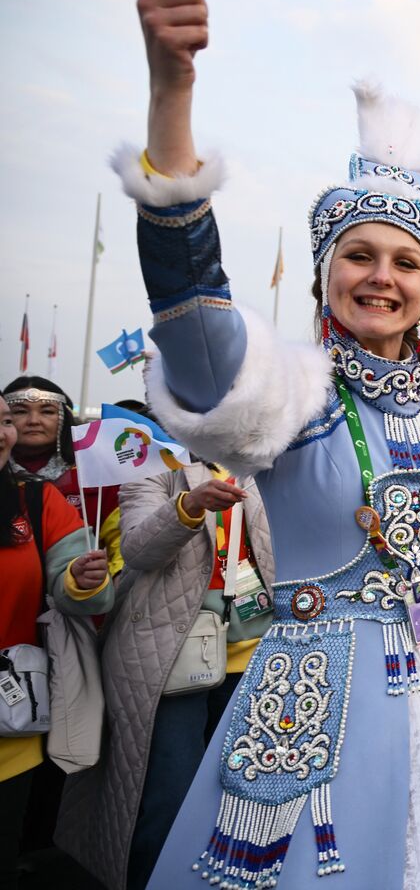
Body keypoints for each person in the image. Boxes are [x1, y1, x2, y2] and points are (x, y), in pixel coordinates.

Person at [118, 0, 420, 888]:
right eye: (359, 256)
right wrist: (172, 94)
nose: (382, 276)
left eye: (406, 262)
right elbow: (193, 312)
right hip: (309, 730)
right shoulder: (289, 394)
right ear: (328, 273)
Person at [53, 461, 274, 890]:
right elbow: (137, 550)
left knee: (249, 798)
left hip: (261, 658)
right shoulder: (155, 472)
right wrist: (188, 506)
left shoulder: (271, 467)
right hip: (171, 660)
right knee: (169, 798)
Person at [0, 396, 114, 884]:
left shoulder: (35, 499)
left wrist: (84, 580)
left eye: (2, 421)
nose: (6, 430)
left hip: (8, 724)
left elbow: (84, 592)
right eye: (13, 415)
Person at [3, 379, 123, 573]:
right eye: (20, 411)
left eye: (47, 411)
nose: (34, 420)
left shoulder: (99, 474)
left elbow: (121, 545)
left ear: (65, 418)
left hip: (79, 593)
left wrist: (108, 584)